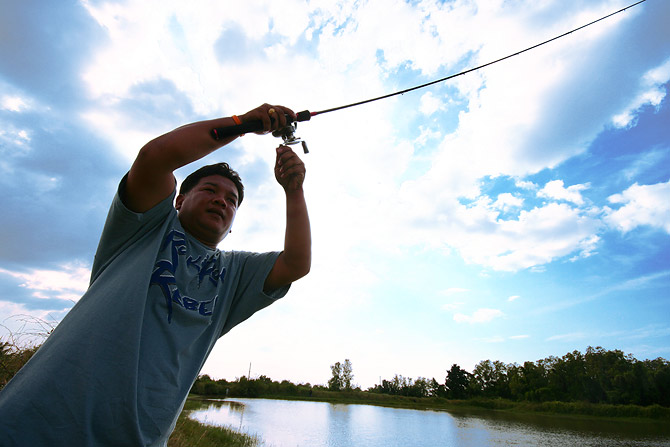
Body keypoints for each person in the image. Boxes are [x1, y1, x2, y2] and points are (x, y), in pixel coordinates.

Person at [0, 104, 311, 446]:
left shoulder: (236, 273)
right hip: (32, 423)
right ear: (179, 200)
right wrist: (245, 123)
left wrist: (293, 189)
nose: (222, 201)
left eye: (232, 200)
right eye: (209, 190)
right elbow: (155, 156)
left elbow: (296, 263)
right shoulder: (145, 226)